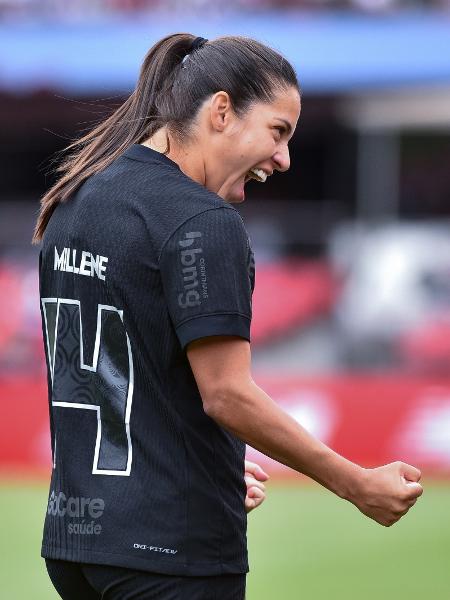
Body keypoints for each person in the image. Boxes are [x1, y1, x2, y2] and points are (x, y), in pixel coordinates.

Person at [34, 33, 423, 600]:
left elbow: (104, 372)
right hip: (171, 555)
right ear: (221, 110)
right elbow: (227, 395)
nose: (285, 158)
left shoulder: (76, 199)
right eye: (278, 130)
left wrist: (187, 458)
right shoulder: (200, 221)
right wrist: (357, 483)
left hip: (76, 548)